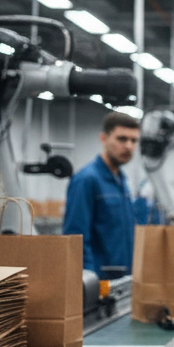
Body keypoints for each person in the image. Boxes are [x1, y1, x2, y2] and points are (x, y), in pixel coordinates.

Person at [63, 111, 140, 277]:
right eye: (122, 139)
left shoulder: (121, 180)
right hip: (99, 284)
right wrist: (88, 283)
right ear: (104, 139)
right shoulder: (86, 180)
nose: (129, 146)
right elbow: (75, 240)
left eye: (134, 140)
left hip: (123, 280)